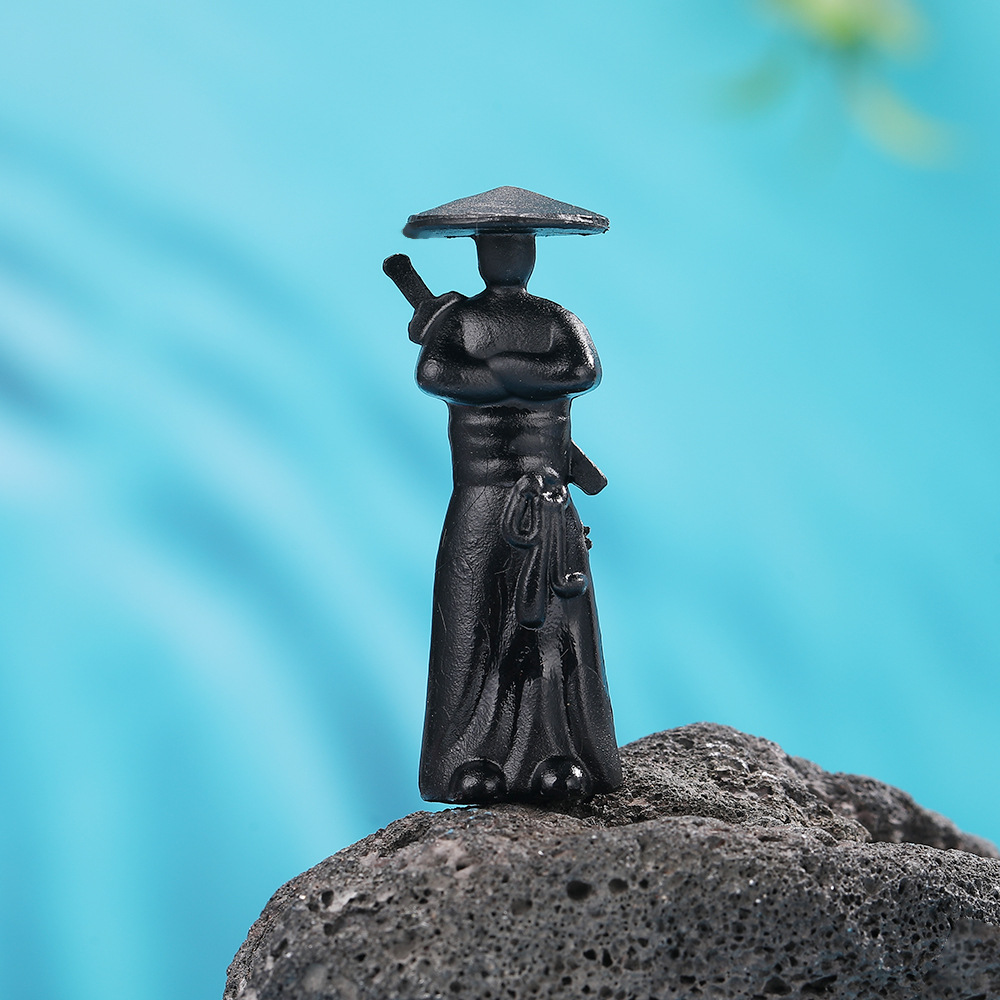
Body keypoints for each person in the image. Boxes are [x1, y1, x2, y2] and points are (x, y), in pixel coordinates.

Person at [388, 187, 622, 804]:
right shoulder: (459, 324)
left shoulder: (556, 320)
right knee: (474, 623)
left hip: (547, 500)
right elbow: (437, 374)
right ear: (480, 255)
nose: (508, 260)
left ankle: (559, 751)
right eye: (497, 249)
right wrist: (512, 373)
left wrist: (496, 371)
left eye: (517, 249)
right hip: (481, 496)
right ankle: (472, 756)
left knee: (552, 631)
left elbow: (581, 371)